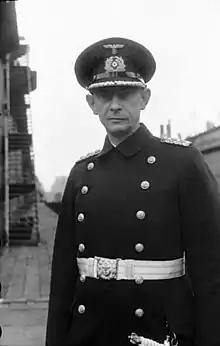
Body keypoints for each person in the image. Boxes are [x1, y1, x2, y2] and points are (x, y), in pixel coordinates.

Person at [45, 37, 220, 346]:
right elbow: (62, 282)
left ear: (144, 98)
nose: (115, 105)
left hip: (156, 331)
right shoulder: (81, 173)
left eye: (125, 94)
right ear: (92, 104)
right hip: (89, 334)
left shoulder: (182, 162)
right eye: (104, 95)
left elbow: (211, 275)